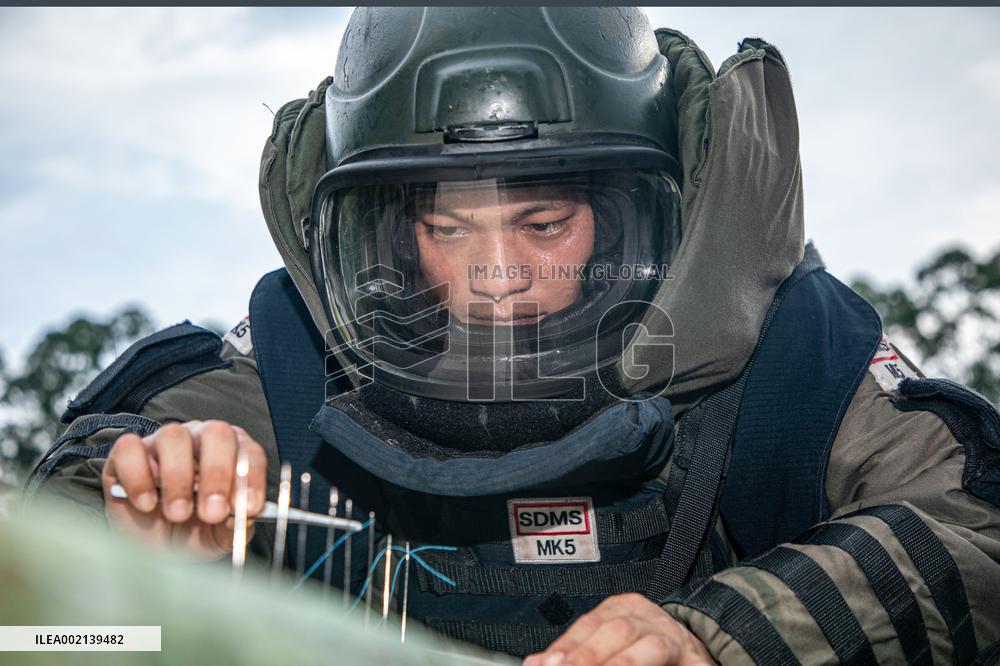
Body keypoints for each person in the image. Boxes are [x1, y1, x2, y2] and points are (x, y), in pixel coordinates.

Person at [27, 7, 1000, 665]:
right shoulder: (294, 351)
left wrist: (726, 637)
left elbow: (976, 528)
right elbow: (32, 609)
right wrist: (141, 526)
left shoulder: (782, 343)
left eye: (544, 222)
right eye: (447, 229)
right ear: (387, 231)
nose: (497, 277)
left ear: (626, 212)